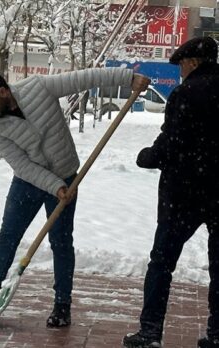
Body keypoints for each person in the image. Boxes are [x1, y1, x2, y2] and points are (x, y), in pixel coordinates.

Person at [0, 68, 150, 327]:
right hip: (28, 182)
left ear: (3, 91)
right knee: (8, 237)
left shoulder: (38, 87)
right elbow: (22, 166)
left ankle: (62, 305)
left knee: (60, 241)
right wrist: (54, 186)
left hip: (67, 175)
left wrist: (127, 78)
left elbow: (85, 78)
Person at [123, 37, 219, 348]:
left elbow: (172, 143)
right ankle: (217, 333)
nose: (179, 72)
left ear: (192, 62)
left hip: (185, 193)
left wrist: (146, 156)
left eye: (181, 66)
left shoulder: (185, 94)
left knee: (162, 262)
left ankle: (150, 332)